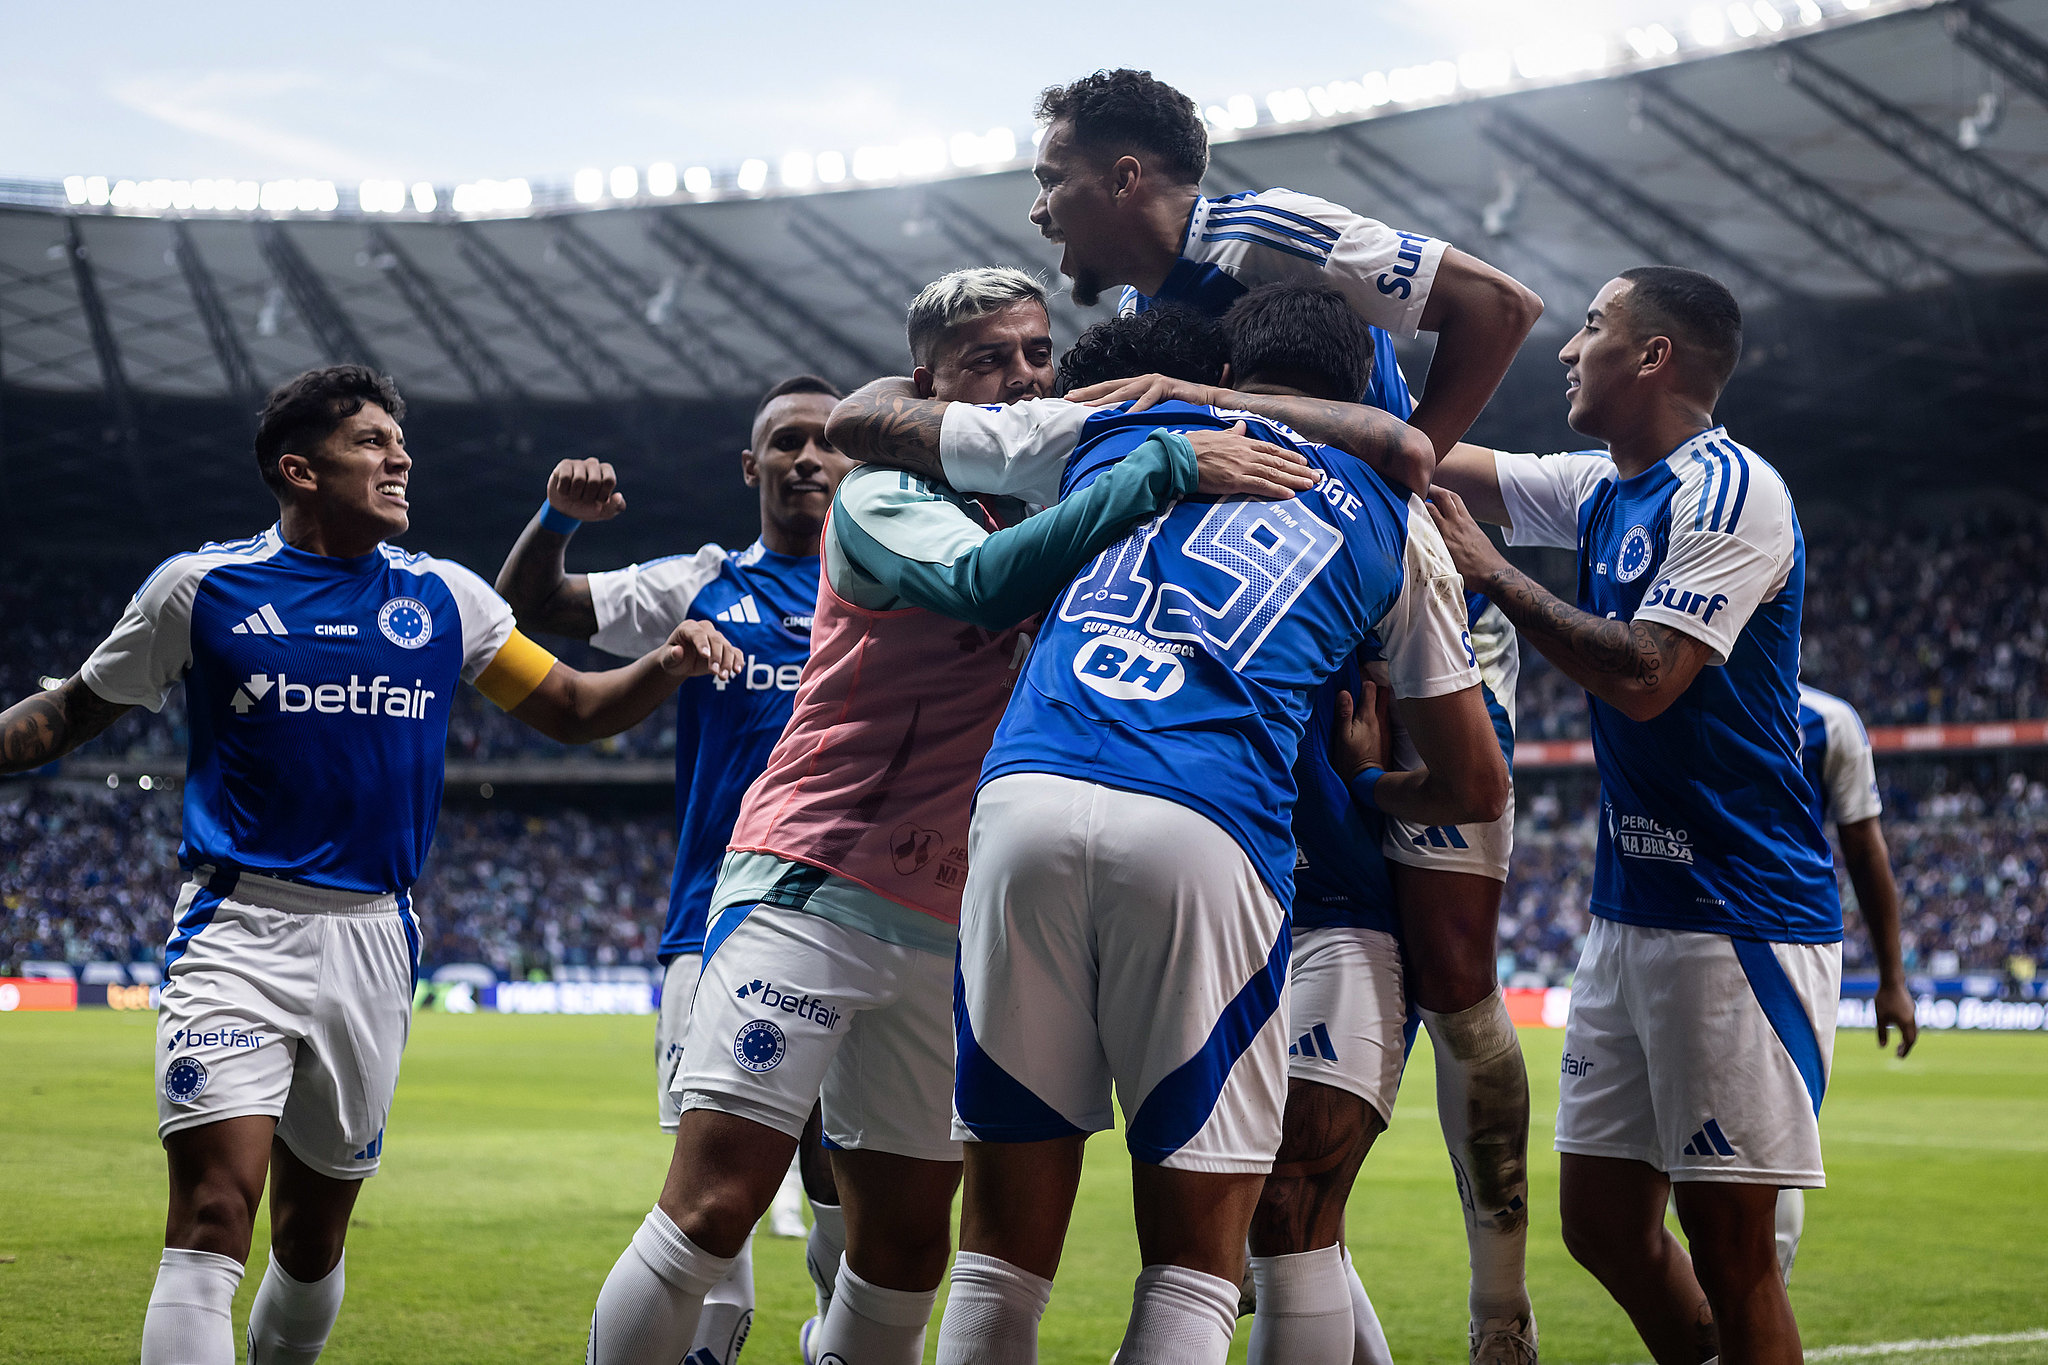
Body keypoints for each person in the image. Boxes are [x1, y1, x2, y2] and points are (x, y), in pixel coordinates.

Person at [582, 267, 1316, 1365]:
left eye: (1033, 353)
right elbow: (978, 586)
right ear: (929, 384)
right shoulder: (880, 494)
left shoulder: (1050, 494)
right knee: (712, 1207)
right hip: (814, 883)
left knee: (903, 1253)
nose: (1020, 375)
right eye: (986, 359)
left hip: (951, 921)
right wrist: (1167, 463)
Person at [0, 365, 739, 1365]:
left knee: (310, 1244)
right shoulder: (201, 587)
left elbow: (569, 709)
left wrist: (665, 663)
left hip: (372, 940)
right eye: (371, 443)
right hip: (234, 929)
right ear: (298, 470)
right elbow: (69, 715)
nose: (399, 459)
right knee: (213, 1216)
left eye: (400, 443)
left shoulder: (444, 596)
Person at [1027, 70, 1547, 1358]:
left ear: (1127, 177)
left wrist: (1399, 474)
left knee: (1454, 980)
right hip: (1278, 621)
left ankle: (1499, 1303)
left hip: (1397, 591)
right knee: (1285, 1111)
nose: (1039, 210)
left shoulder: (1258, 234)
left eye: (1053, 180)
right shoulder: (1158, 317)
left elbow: (1498, 306)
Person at [912, 283, 1509, 1365]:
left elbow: (881, 422)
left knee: (998, 1256)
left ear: (1224, 377)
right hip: (1204, 819)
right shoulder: (1392, 517)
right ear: (1359, 395)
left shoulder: (1128, 424)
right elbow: (1476, 785)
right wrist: (1369, 783)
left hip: (1026, 794)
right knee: (1194, 1266)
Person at [1429, 266, 1840, 1365]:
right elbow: (1432, 457)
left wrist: (1494, 575)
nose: (1565, 350)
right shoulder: (1601, 487)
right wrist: (1238, 394)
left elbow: (1649, 674)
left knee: (1730, 1250)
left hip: (1736, 915)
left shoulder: (1728, 488)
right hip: (1629, 910)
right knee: (1600, 1225)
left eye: (1592, 328)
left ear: (1651, 357)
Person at [494, 375, 855, 1362]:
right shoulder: (699, 581)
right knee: (712, 1217)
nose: (806, 458)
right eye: (784, 442)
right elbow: (525, 607)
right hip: (721, 925)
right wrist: (554, 522)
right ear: (752, 467)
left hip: (873, 922)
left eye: (826, 442)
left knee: (851, 1205)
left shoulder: (895, 587)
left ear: (856, 462)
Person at [1774, 682, 1918, 1280]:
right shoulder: (1665, 679)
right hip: (1654, 929)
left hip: (1780, 949)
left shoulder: (1829, 723)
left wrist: (1893, 979)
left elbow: (1864, 847)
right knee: (1613, 1207)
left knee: (1760, 1194)